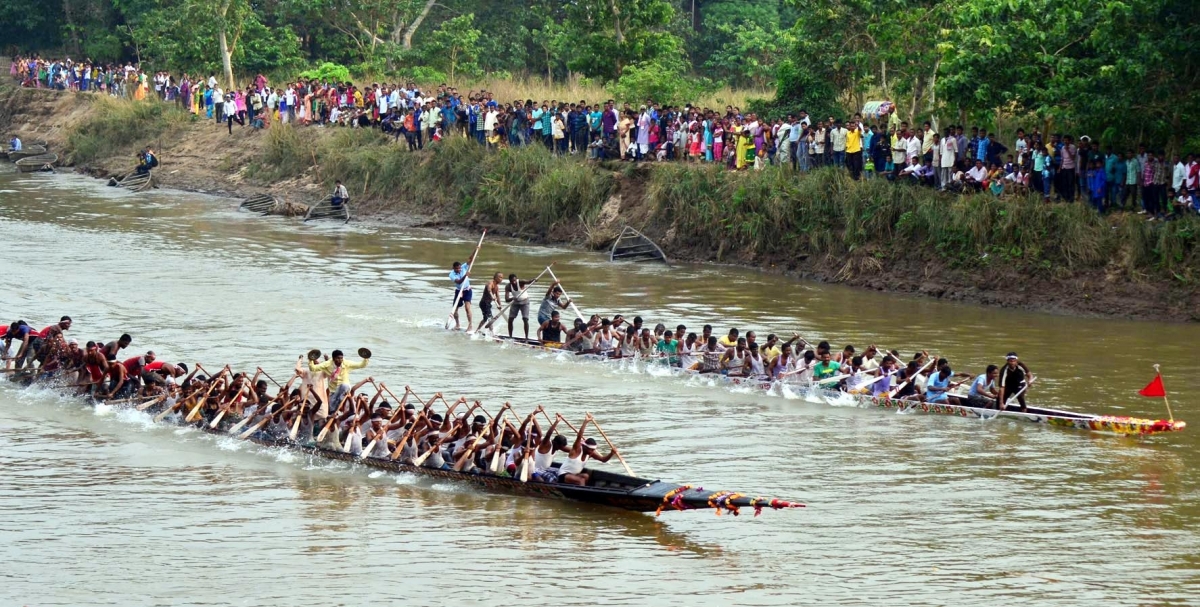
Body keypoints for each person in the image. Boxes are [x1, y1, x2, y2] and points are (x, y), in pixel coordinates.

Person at [308, 349, 369, 418]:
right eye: (338, 358)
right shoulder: (327, 364)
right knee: (331, 410)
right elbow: (313, 368)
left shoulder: (346, 363)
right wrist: (310, 360)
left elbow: (361, 365)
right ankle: (332, 417)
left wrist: (366, 357)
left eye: (341, 358)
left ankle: (339, 408)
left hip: (344, 388)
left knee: (344, 386)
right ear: (333, 359)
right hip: (333, 390)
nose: (340, 360)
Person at [448, 260, 473, 331]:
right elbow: (459, 282)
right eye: (457, 269)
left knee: (467, 308)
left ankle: (470, 325)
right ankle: (457, 324)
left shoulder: (463, 267)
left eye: (459, 268)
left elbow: (470, 259)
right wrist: (466, 275)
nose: (459, 270)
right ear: (453, 268)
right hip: (459, 291)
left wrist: (476, 249)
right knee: (455, 309)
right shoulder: (451, 274)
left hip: (467, 290)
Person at [505, 274, 532, 340]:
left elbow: (529, 281)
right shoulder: (508, 286)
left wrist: (534, 280)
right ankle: (510, 336)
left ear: (516, 279)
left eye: (514, 281)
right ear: (510, 281)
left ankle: (526, 338)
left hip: (525, 302)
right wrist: (513, 298)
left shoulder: (520, 282)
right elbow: (506, 299)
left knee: (525, 319)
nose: (514, 282)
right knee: (510, 319)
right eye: (512, 281)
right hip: (515, 302)